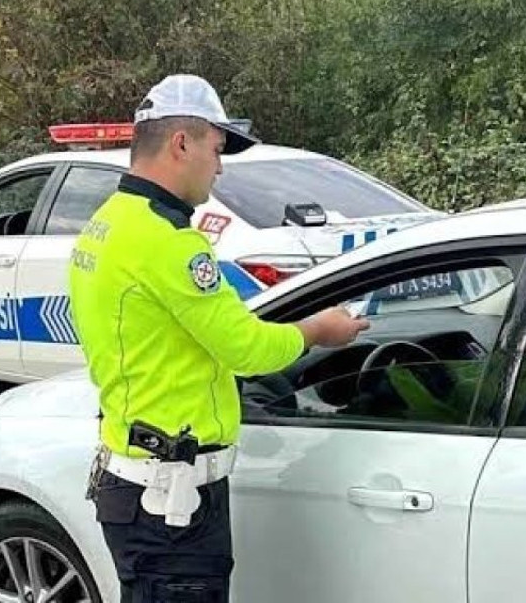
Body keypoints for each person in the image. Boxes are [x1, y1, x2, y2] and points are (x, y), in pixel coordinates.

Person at [68, 73, 368, 602]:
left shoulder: (108, 223)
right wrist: (318, 330)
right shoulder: (167, 241)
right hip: (171, 504)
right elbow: (246, 350)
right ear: (181, 143)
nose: (221, 164)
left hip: (139, 484)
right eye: (217, 147)